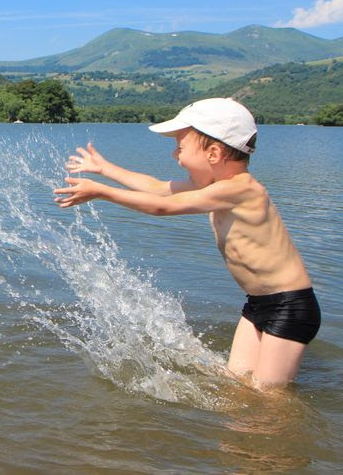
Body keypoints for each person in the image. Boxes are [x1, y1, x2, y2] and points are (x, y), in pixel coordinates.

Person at [53, 98, 320, 390]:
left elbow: (161, 207)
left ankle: (279, 431)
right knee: (238, 386)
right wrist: (106, 169)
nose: (175, 155)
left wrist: (103, 192)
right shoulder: (215, 187)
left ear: (214, 153)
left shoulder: (241, 189)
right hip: (257, 304)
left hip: (290, 306)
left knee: (269, 397)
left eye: (180, 147)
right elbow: (157, 188)